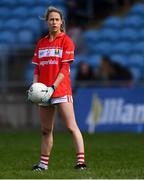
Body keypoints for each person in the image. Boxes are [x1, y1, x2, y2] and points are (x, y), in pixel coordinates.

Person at [30, 6, 86, 171]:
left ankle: (81, 162)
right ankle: (43, 165)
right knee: (46, 130)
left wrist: (53, 87)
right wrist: (34, 87)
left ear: (62, 22)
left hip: (60, 90)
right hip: (43, 92)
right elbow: (37, 69)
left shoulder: (66, 41)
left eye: (57, 19)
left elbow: (64, 68)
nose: (54, 22)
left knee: (71, 127)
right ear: (47, 22)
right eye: (51, 19)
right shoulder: (41, 43)